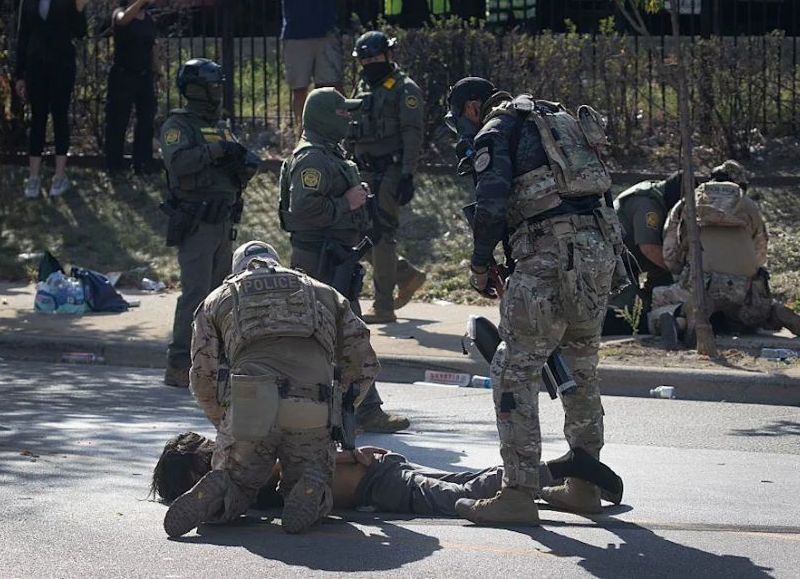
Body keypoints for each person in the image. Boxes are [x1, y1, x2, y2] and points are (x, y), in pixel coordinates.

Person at [445, 77, 623, 525]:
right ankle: (584, 486)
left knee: (513, 369)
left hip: (548, 253)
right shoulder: (555, 118)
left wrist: (481, 265)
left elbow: (490, 204)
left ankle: (518, 493)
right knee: (581, 367)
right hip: (598, 251)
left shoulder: (496, 128)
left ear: (472, 107)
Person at [163, 240, 380, 537]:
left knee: (238, 481)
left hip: (250, 404)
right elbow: (363, 361)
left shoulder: (218, 298)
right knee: (308, 475)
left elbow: (203, 376)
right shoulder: (324, 292)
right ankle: (307, 489)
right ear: (278, 262)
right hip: (313, 406)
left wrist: (225, 421)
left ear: (236, 270)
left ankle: (220, 493)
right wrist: (340, 410)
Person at [278, 86, 411, 434]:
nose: (349, 119)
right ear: (323, 116)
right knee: (345, 335)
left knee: (338, 335)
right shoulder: (312, 159)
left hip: (335, 258)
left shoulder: (329, 154)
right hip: (320, 259)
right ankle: (361, 410)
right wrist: (348, 204)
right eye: (342, 113)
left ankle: (345, 409)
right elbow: (304, 209)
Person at [152, 432, 624, 517]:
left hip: (377, 482)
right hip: (378, 476)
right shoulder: (244, 477)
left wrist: (349, 456)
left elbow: (299, 461)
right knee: (467, 482)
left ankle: (557, 471)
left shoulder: (254, 466)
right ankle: (551, 477)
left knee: (454, 499)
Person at [160, 58, 256, 388]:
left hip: (223, 220)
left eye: (219, 85)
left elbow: (233, 165)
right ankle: (178, 362)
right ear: (195, 89)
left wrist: (242, 162)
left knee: (220, 295)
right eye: (213, 86)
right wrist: (214, 152)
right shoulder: (179, 124)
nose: (218, 91)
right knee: (196, 293)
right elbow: (178, 163)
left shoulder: (219, 123)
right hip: (197, 221)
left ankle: (212, 361)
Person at [653, 160, 800, 342]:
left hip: (700, 285)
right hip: (743, 290)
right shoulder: (749, 206)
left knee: (660, 299)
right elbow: (760, 253)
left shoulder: (688, 203)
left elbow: (670, 253)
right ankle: (776, 312)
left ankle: (683, 319)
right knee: (752, 314)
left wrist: (680, 272)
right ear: (741, 184)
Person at [348, 30, 427, 324]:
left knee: (380, 235)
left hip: (389, 171)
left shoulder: (405, 89)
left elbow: (412, 134)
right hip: (363, 171)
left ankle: (383, 306)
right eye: (364, 58)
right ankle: (405, 274)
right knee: (357, 234)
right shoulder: (363, 87)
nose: (369, 63)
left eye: (374, 57)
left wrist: (407, 174)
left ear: (389, 55)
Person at [14, 0, 88, 198]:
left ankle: (59, 176)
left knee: (60, 117)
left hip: (62, 66)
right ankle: (33, 177)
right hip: (35, 65)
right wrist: (19, 75)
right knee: (38, 118)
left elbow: (80, 32)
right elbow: (22, 35)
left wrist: (79, 10)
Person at [603, 171, 685, 336]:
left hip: (632, 264)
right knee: (632, 313)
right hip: (614, 264)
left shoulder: (657, 197)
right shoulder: (648, 205)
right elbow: (649, 248)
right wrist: (680, 271)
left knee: (660, 302)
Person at [104, 0, 159, 175]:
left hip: (144, 76)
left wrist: (157, 71)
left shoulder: (149, 20)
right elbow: (122, 20)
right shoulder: (120, 13)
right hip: (123, 75)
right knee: (118, 121)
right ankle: (114, 165)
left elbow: (153, 46)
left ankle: (142, 163)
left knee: (146, 121)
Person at [280, 0, 343, 129]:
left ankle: (337, 131)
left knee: (331, 86)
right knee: (299, 89)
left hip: (326, 31)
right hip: (296, 33)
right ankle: (302, 133)